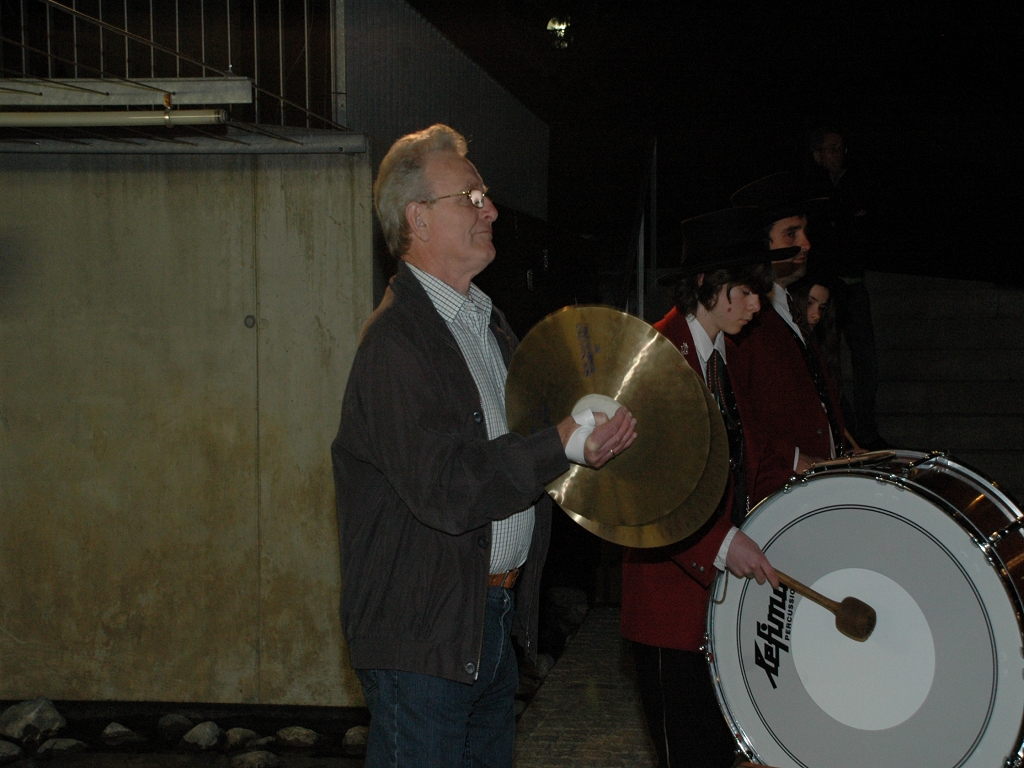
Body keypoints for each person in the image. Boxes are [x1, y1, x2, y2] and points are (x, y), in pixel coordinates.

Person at [331, 124, 637, 768]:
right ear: (418, 219)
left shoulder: (487, 324)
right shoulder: (396, 343)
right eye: (470, 198)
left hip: (483, 625)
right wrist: (558, 443)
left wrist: (580, 443)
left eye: (486, 195)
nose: (490, 209)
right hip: (423, 640)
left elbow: (514, 458)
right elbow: (447, 488)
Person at [621, 207, 781, 768]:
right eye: (746, 292)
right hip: (669, 608)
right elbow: (642, 492)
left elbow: (746, 460)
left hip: (716, 606)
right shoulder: (656, 356)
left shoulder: (723, 356)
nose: (757, 305)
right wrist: (722, 544)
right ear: (706, 285)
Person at [729, 173, 847, 503]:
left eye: (804, 231)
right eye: (791, 234)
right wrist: (792, 458)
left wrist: (841, 451)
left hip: (809, 487)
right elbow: (740, 412)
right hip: (779, 494)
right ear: (762, 244)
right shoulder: (746, 319)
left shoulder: (787, 306)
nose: (805, 243)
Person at [808, 128, 888, 449]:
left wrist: (841, 217)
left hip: (853, 284)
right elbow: (823, 227)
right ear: (817, 154)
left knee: (866, 360)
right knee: (827, 362)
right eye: (831, 148)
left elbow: (862, 221)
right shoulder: (812, 186)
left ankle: (864, 429)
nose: (838, 154)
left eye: (841, 148)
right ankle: (843, 429)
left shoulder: (855, 180)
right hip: (826, 287)